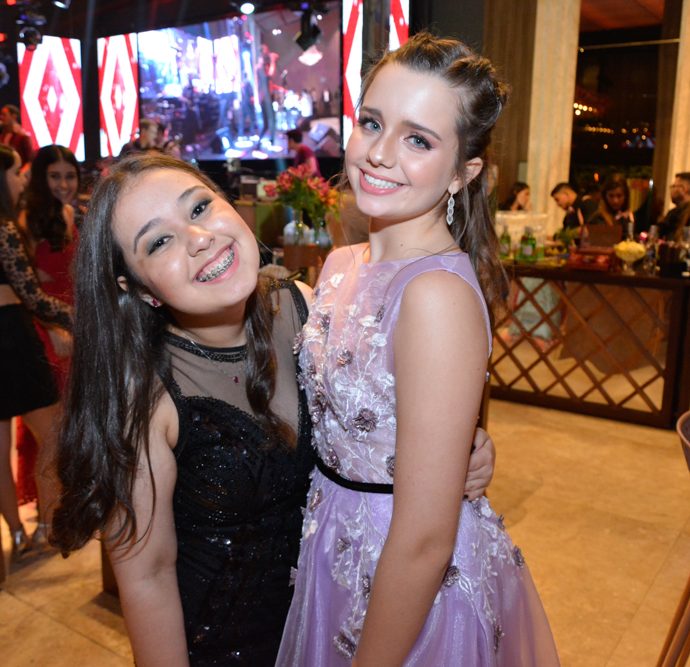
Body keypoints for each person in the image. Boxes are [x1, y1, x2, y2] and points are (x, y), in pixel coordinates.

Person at [49, 154, 496, 666]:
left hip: (334, 622)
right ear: (137, 288)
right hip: (226, 647)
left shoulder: (306, 306)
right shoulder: (144, 396)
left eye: (199, 208)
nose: (199, 239)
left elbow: (374, 418)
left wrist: (461, 445)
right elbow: (147, 576)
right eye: (159, 242)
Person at [277, 33, 559, 666]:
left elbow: (427, 537)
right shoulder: (341, 262)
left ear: (464, 173)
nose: (379, 154)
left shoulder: (436, 295)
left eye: (419, 140)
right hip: (332, 541)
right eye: (372, 122)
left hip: (401, 571)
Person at [0, 145, 72, 561]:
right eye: (15, 173)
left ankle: (16, 534)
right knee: (54, 436)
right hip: (12, 337)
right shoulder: (7, 229)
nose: (21, 180)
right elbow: (33, 296)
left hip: (13, 334)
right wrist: (77, 317)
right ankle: (49, 523)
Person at [14, 145, 79, 511]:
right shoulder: (27, 220)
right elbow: (26, 289)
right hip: (46, 330)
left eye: (69, 176)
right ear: (41, 178)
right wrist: (52, 328)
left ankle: (69, 505)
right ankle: (50, 512)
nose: (64, 184)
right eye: (55, 176)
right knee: (51, 429)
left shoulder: (69, 213)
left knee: (74, 422)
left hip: (76, 325)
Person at [659, 171, 690, 242]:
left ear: (685, 188)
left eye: (674, 186)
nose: (671, 189)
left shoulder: (680, 214)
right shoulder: (673, 212)